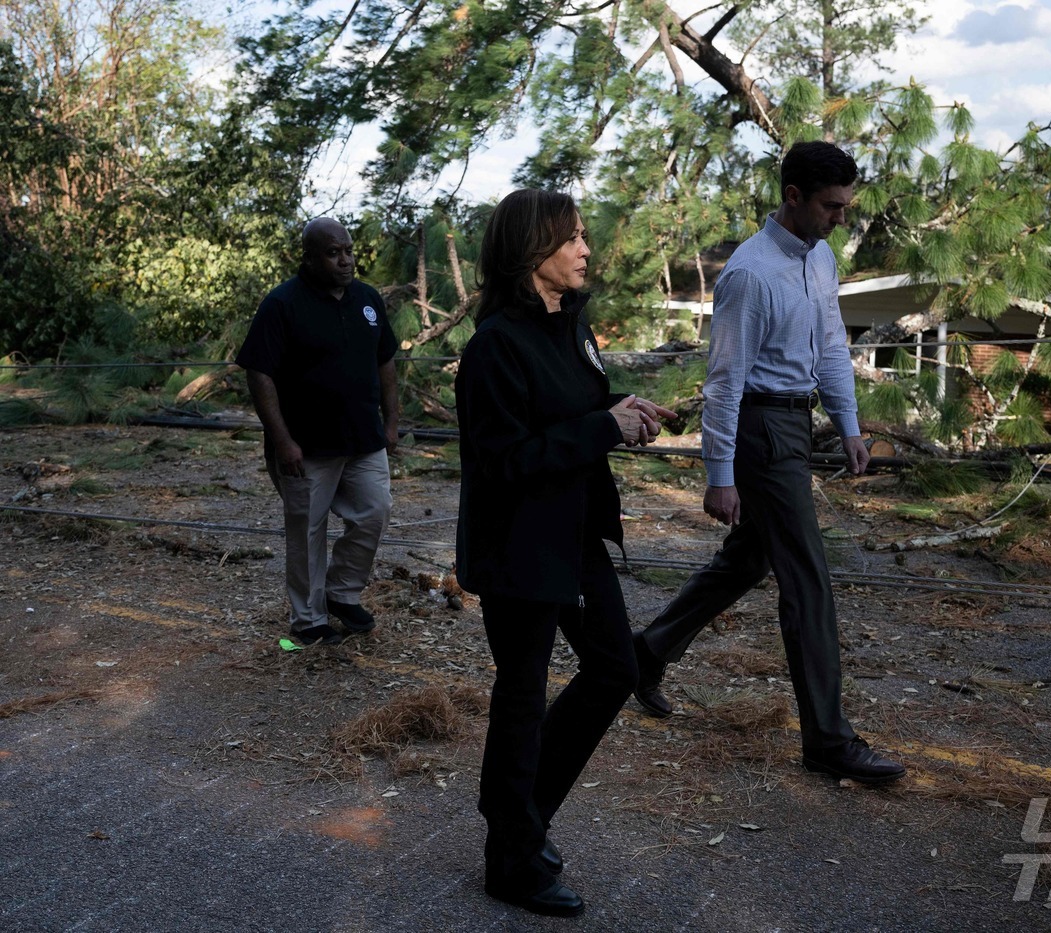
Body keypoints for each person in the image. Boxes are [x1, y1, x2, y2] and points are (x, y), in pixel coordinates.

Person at [631, 142, 906, 785]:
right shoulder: (750, 274)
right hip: (759, 428)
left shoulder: (821, 256)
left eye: (846, 205)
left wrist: (847, 424)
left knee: (750, 557)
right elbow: (723, 380)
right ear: (793, 197)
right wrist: (718, 473)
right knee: (807, 578)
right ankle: (829, 741)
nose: (841, 217)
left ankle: (645, 654)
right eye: (831, 206)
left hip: (795, 422)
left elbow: (833, 346)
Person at [454, 189, 677, 918]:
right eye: (573, 238)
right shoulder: (493, 347)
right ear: (531, 252)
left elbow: (577, 413)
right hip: (516, 542)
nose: (587, 249)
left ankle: (519, 818)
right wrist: (601, 428)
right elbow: (502, 461)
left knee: (616, 666)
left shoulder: (571, 325)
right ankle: (511, 857)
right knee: (521, 697)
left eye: (584, 236)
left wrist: (625, 413)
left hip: (575, 531)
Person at [236, 217, 399, 646]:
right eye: (333, 252)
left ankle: (343, 593)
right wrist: (283, 439)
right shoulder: (283, 304)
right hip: (305, 446)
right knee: (307, 531)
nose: (345, 260)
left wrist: (393, 422)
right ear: (308, 258)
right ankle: (309, 622)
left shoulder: (368, 299)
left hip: (364, 437)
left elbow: (386, 361)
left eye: (348, 250)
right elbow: (259, 372)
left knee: (375, 511)